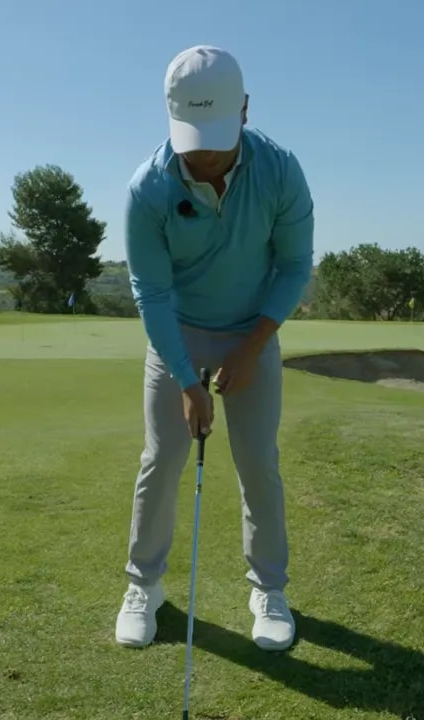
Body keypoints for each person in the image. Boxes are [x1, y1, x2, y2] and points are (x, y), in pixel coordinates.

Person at [115, 45, 314, 652]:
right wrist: (185, 378)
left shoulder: (280, 171)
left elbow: (294, 267)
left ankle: (268, 589)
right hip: (176, 330)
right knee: (162, 462)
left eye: (215, 138)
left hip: (253, 329)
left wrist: (252, 348)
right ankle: (143, 586)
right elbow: (150, 292)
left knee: (259, 465)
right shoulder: (147, 188)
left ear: (246, 111)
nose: (201, 157)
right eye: (191, 138)